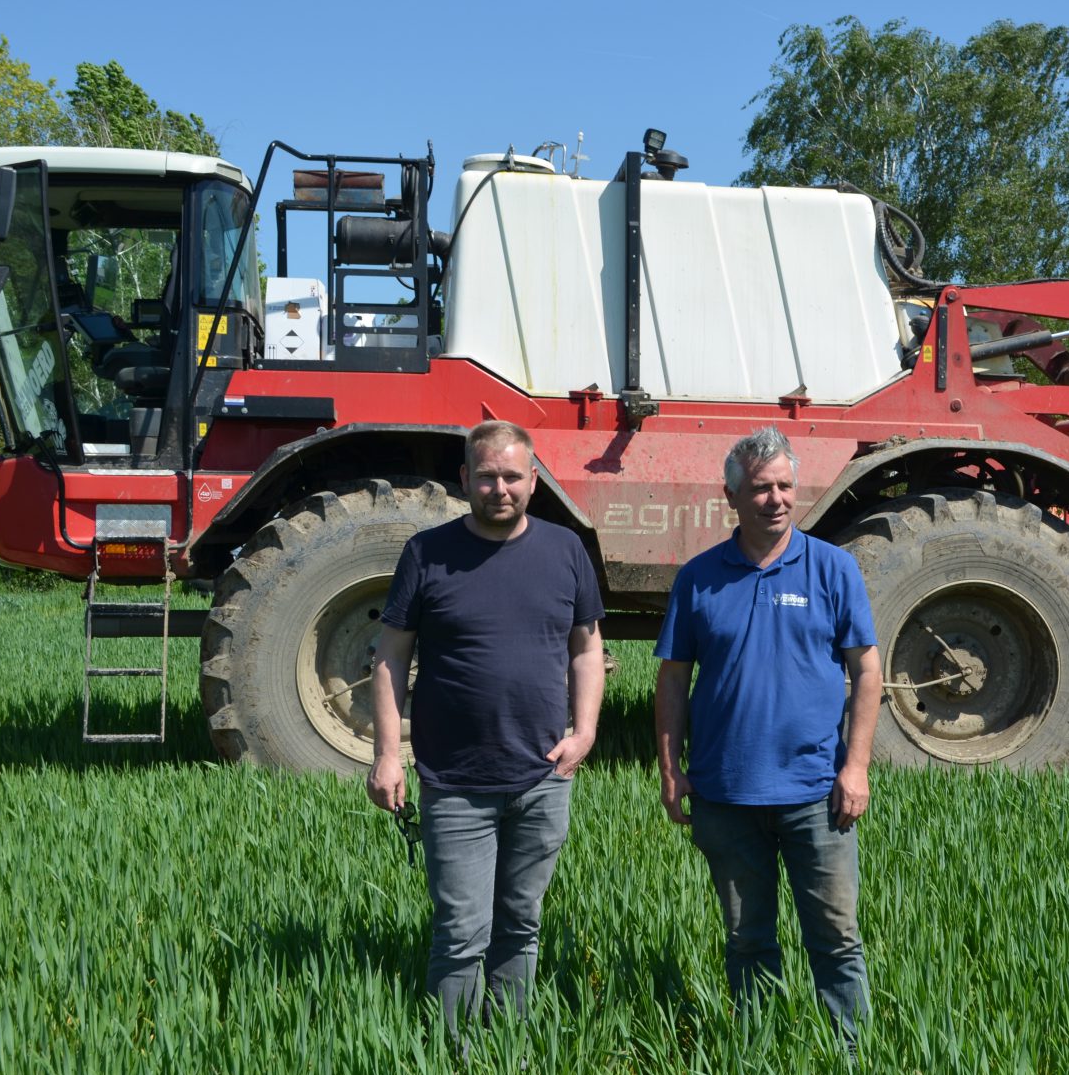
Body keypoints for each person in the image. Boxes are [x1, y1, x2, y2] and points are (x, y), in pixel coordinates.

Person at [366, 419, 605, 1037]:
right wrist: (387, 756)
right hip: (454, 779)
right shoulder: (427, 553)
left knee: (520, 921)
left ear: (533, 479)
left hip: (543, 775)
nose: (500, 488)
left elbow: (586, 651)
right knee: (462, 928)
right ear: (465, 479)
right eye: (488, 476)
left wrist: (584, 733)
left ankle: (506, 1046)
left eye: (513, 476)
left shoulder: (565, 551)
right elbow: (390, 657)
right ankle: (450, 1058)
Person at [653, 426, 883, 1036]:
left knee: (835, 936)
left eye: (785, 485)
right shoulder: (699, 578)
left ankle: (852, 1057)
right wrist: (671, 769)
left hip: (815, 794)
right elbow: (673, 680)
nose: (776, 499)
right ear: (731, 496)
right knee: (746, 939)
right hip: (725, 796)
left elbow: (866, 670)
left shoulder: (833, 569)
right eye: (760, 488)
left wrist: (855, 767)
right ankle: (759, 1056)